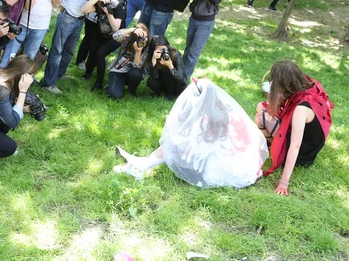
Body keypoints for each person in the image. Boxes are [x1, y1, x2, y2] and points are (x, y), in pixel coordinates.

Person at [114, 78, 269, 188]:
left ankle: (138, 166)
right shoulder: (226, 111)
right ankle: (139, 163)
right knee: (175, 145)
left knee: (173, 146)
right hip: (246, 164)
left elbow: (192, 148)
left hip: (227, 170)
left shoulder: (207, 119)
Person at [256, 61, 333, 196]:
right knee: (261, 107)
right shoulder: (304, 89)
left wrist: (284, 182)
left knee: (260, 117)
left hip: (302, 154)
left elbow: (295, 145)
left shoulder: (300, 108)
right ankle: (273, 145)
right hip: (309, 144)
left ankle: (276, 148)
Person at [41, 0, 98, 94]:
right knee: (57, 50)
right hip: (68, 14)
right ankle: (48, 83)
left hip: (80, 16)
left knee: (69, 51)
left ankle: (59, 74)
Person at [75, 0, 123, 71]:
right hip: (94, 14)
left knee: (94, 40)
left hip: (103, 15)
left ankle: (92, 60)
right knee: (88, 39)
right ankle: (80, 60)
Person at [181, 0, 223, 80]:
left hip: (206, 20)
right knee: (188, 50)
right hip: (194, 17)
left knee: (193, 53)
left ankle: (183, 82)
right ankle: (178, 76)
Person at [80, 0, 126, 91]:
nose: (102, 5)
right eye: (100, 3)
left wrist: (109, 14)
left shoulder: (117, 5)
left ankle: (98, 83)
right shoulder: (98, 4)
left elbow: (116, 27)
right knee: (92, 53)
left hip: (116, 36)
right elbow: (84, 9)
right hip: (101, 32)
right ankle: (88, 72)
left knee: (100, 54)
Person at [106, 23, 150, 99]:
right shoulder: (127, 38)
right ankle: (117, 84)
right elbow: (115, 36)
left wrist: (138, 51)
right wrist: (132, 30)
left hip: (132, 72)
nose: (144, 39)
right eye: (141, 37)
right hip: (118, 70)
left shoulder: (147, 47)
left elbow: (137, 66)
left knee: (137, 73)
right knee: (114, 96)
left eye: (146, 37)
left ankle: (132, 90)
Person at [146, 35, 187, 100]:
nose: (162, 52)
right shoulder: (153, 56)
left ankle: (171, 94)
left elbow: (182, 79)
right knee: (151, 82)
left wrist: (170, 66)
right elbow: (154, 77)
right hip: (163, 82)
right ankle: (163, 92)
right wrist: (154, 62)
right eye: (159, 50)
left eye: (164, 49)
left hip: (177, 84)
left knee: (167, 72)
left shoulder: (176, 54)